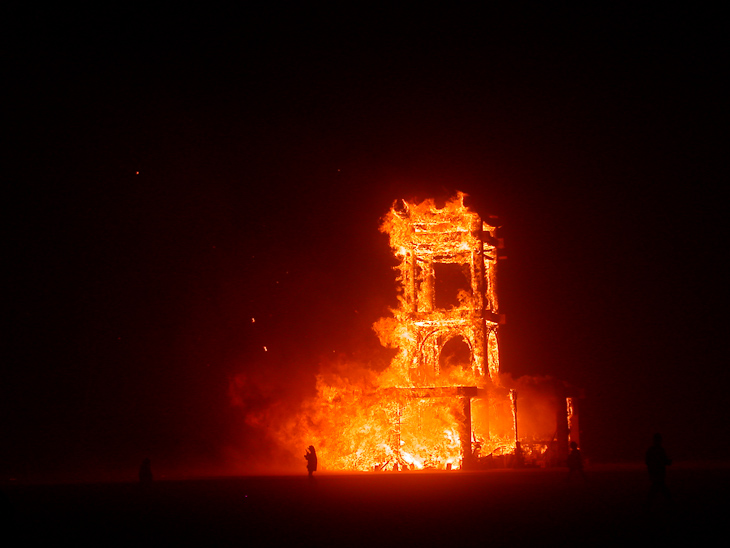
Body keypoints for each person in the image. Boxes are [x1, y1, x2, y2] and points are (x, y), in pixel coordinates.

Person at [646, 433, 672, 506]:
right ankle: (670, 502)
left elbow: (648, 461)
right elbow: (661, 460)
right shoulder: (659, 450)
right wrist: (667, 462)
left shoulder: (652, 450)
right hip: (658, 472)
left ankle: (648, 503)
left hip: (656, 472)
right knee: (660, 487)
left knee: (657, 487)